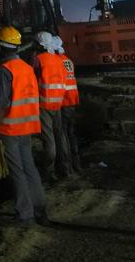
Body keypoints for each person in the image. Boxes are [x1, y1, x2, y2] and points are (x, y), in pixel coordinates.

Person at [0, 26, 48, 226]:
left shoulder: (4, 71)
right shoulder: (26, 68)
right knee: (30, 167)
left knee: (17, 171)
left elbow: (0, 105)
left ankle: (25, 215)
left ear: (0, 46)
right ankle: (40, 208)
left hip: (10, 128)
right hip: (28, 126)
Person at [32, 31, 70, 181]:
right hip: (58, 102)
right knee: (60, 136)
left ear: (39, 45)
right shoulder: (58, 59)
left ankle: (49, 172)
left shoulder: (38, 60)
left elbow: (33, 79)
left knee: (49, 140)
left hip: (44, 103)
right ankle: (65, 168)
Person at [53, 36, 81, 173]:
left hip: (63, 102)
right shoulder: (68, 61)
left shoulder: (56, 61)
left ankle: (67, 167)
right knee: (71, 134)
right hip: (72, 100)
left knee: (62, 134)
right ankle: (76, 164)